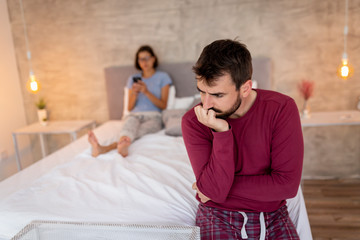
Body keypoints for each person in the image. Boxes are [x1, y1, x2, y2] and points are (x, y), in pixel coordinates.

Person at [181, 39, 303, 239]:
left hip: (273, 216)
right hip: (216, 215)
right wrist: (221, 133)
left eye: (218, 95)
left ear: (245, 88)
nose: (206, 104)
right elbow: (212, 189)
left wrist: (217, 189)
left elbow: (287, 186)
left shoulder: (281, 109)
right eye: (202, 92)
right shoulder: (193, 121)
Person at [88, 45, 172, 157]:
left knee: (132, 132)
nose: (144, 62)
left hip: (154, 117)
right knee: (130, 126)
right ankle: (120, 147)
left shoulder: (163, 77)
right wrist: (135, 93)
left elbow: (163, 105)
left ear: (153, 58)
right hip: (134, 115)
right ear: (138, 61)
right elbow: (129, 108)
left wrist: (146, 91)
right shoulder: (133, 78)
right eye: (141, 59)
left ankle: (105, 148)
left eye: (147, 58)